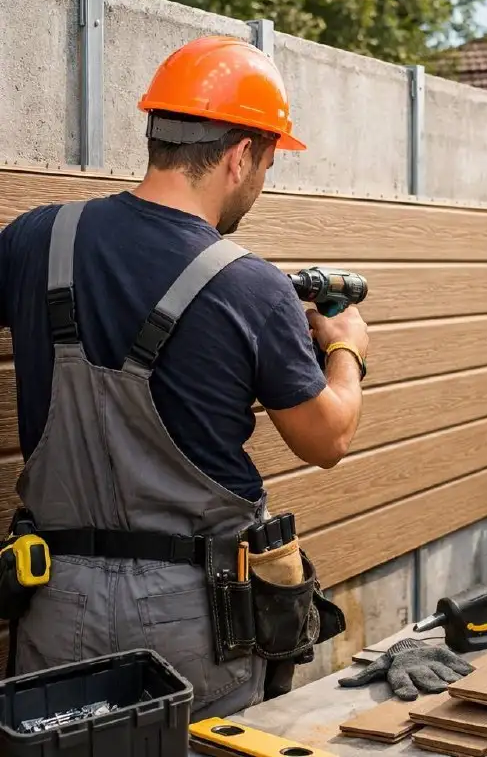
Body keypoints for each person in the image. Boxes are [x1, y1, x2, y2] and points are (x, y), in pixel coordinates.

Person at [0, 36, 367, 719]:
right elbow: (328, 440)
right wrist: (346, 347)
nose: (260, 184)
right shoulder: (253, 288)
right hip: (192, 616)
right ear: (240, 156)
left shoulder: (32, 241)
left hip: (54, 599)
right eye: (266, 165)